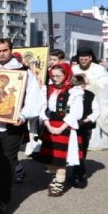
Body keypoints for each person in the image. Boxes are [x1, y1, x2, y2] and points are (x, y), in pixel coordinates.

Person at [0, 39, 43, 214]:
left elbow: (33, 98)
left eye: (5, 50)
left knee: (7, 160)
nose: (2, 54)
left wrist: (22, 115)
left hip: (12, 126)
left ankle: (2, 198)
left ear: (10, 50)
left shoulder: (23, 72)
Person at [31, 63, 85, 196]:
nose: (55, 78)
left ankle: (59, 182)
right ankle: (56, 177)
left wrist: (61, 127)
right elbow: (43, 108)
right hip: (50, 124)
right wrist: (47, 124)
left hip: (65, 125)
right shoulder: (47, 89)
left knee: (61, 158)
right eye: (53, 76)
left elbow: (75, 112)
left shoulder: (74, 91)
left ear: (66, 74)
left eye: (58, 76)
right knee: (51, 157)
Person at [73, 48, 108, 156]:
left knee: (94, 116)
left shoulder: (99, 69)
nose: (83, 61)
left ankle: (95, 143)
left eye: (86, 58)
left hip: (95, 98)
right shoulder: (74, 68)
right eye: (81, 59)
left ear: (90, 58)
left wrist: (90, 82)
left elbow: (106, 83)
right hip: (77, 99)